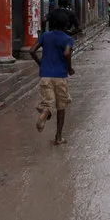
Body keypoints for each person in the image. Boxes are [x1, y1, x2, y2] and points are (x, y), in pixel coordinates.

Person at [29, 13, 75, 146]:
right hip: (60, 76)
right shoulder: (68, 39)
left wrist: (40, 63)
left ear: (53, 24)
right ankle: (58, 137)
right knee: (61, 106)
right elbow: (67, 53)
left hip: (45, 76)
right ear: (66, 25)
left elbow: (32, 51)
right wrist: (69, 68)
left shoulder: (45, 36)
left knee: (48, 102)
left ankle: (45, 113)